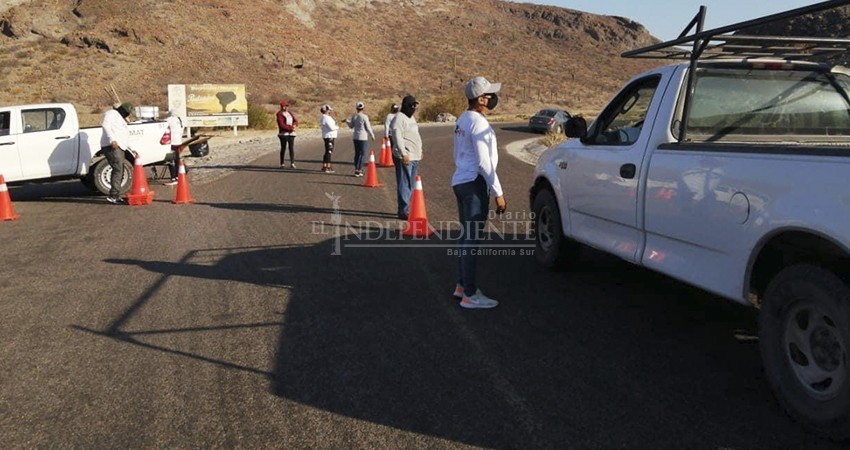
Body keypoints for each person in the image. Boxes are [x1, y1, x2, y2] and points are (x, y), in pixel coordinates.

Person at [451, 76, 507, 309]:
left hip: (461, 181)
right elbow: (485, 163)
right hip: (474, 183)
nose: (494, 98)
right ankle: (470, 295)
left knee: (466, 237)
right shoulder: (479, 123)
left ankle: (463, 286)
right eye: (490, 94)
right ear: (481, 99)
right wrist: (498, 192)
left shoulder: (463, 119)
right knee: (471, 240)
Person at [389, 95, 422, 219]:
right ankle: (403, 211)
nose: (413, 108)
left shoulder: (411, 118)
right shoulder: (399, 119)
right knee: (404, 183)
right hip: (405, 156)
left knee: (411, 184)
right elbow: (397, 138)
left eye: (415, 106)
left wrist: (420, 150)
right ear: (406, 105)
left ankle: (408, 207)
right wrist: (404, 153)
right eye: (412, 105)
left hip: (415, 156)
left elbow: (415, 135)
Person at [100, 102, 133, 204]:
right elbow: (105, 125)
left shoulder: (120, 118)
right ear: (122, 110)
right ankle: (113, 195)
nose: (126, 115)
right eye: (126, 112)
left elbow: (122, 134)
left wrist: (130, 148)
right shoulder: (111, 114)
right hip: (112, 146)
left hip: (120, 146)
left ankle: (115, 195)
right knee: (118, 169)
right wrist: (112, 140)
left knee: (119, 169)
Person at [345, 101, 375, 177]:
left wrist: (346, 121)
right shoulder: (365, 117)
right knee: (363, 153)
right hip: (363, 137)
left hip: (355, 137)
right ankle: (360, 169)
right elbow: (368, 127)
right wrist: (372, 135)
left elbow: (351, 126)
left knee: (357, 153)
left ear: (356, 108)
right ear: (363, 108)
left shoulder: (354, 116)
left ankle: (356, 169)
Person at [276, 100, 299, 169]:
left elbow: (295, 120)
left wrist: (294, 125)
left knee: (291, 148)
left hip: (291, 134)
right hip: (283, 134)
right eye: (284, 106)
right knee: (283, 148)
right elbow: (281, 124)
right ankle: (282, 163)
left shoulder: (289, 113)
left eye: (286, 106)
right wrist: (290, 128)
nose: (285, 107)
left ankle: (292, 162)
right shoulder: (279, 114)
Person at [164, 110, 184, 186]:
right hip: (179, 142)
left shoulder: (169, 120)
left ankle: (173, 178)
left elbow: (162, 125)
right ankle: (178, 176)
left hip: (171, 142)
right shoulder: (180, 120)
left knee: (170, 160)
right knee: (177, 160)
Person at [319, 104, 339, 173]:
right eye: (329, 110)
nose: (330, 111)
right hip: (329, 136)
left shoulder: (325, 117)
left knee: (327, 151)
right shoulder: (326, 118)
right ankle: (327, 166)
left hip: (328, 135)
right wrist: (337, 127)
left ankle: (325, 165)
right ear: (326, 110)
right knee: (329, 151)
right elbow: (332, 127)